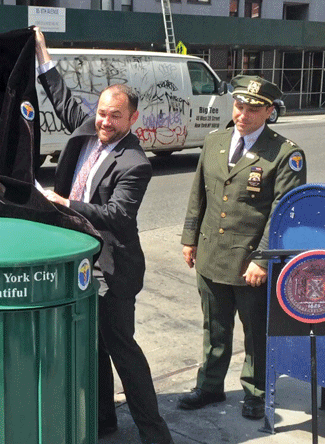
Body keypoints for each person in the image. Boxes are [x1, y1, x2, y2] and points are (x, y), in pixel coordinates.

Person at [34, 28, 173, 444]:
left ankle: (155, 434)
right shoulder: (88, 131)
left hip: (112, 269)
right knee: (90, 347)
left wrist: (62, 203)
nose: (104, 121)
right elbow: (60, 99)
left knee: (121, 350)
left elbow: (116, 214)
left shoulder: (135, 164)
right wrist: (43, 57)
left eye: (115, 116)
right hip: (79, 259)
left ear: (132, 119)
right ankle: (102, 420)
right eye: (101, 112)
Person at [178, 75, 307, 420]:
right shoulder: (215, 141)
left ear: (268, 111)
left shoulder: (284, 153)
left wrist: (263, 260)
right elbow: (199, 195)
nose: (243, 113)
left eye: (253, 108)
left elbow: (286, 213)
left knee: (255, 334)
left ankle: (255, 392)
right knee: (215, 328)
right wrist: (189, 239)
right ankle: (209, 387)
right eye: (239, 105)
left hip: (251, 263)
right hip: (211, 255)